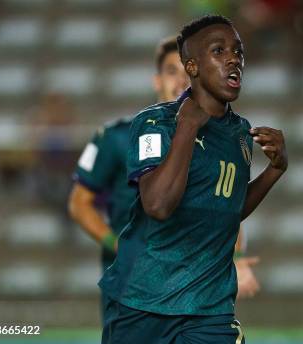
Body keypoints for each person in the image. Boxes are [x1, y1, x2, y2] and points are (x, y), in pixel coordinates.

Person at [99, 15, 288, 344]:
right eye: (219, 50)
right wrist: (187, 127)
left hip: (210, 308)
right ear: (192, 67)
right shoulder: (155, 123)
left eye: (238, 52)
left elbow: (229, 205)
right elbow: (157, 205)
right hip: (143, 303)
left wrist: (274, 170)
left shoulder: (240, 133)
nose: (233, 60)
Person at [68, 37, 259, 320]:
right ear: (157, 80)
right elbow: (79, 203)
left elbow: (227, 204)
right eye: (172, 72)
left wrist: (238, 259)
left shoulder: (218, 138)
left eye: (188, 73)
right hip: (132, 282)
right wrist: (116, 244)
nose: (181, 81)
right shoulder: (117, 137)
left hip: (196, 283)